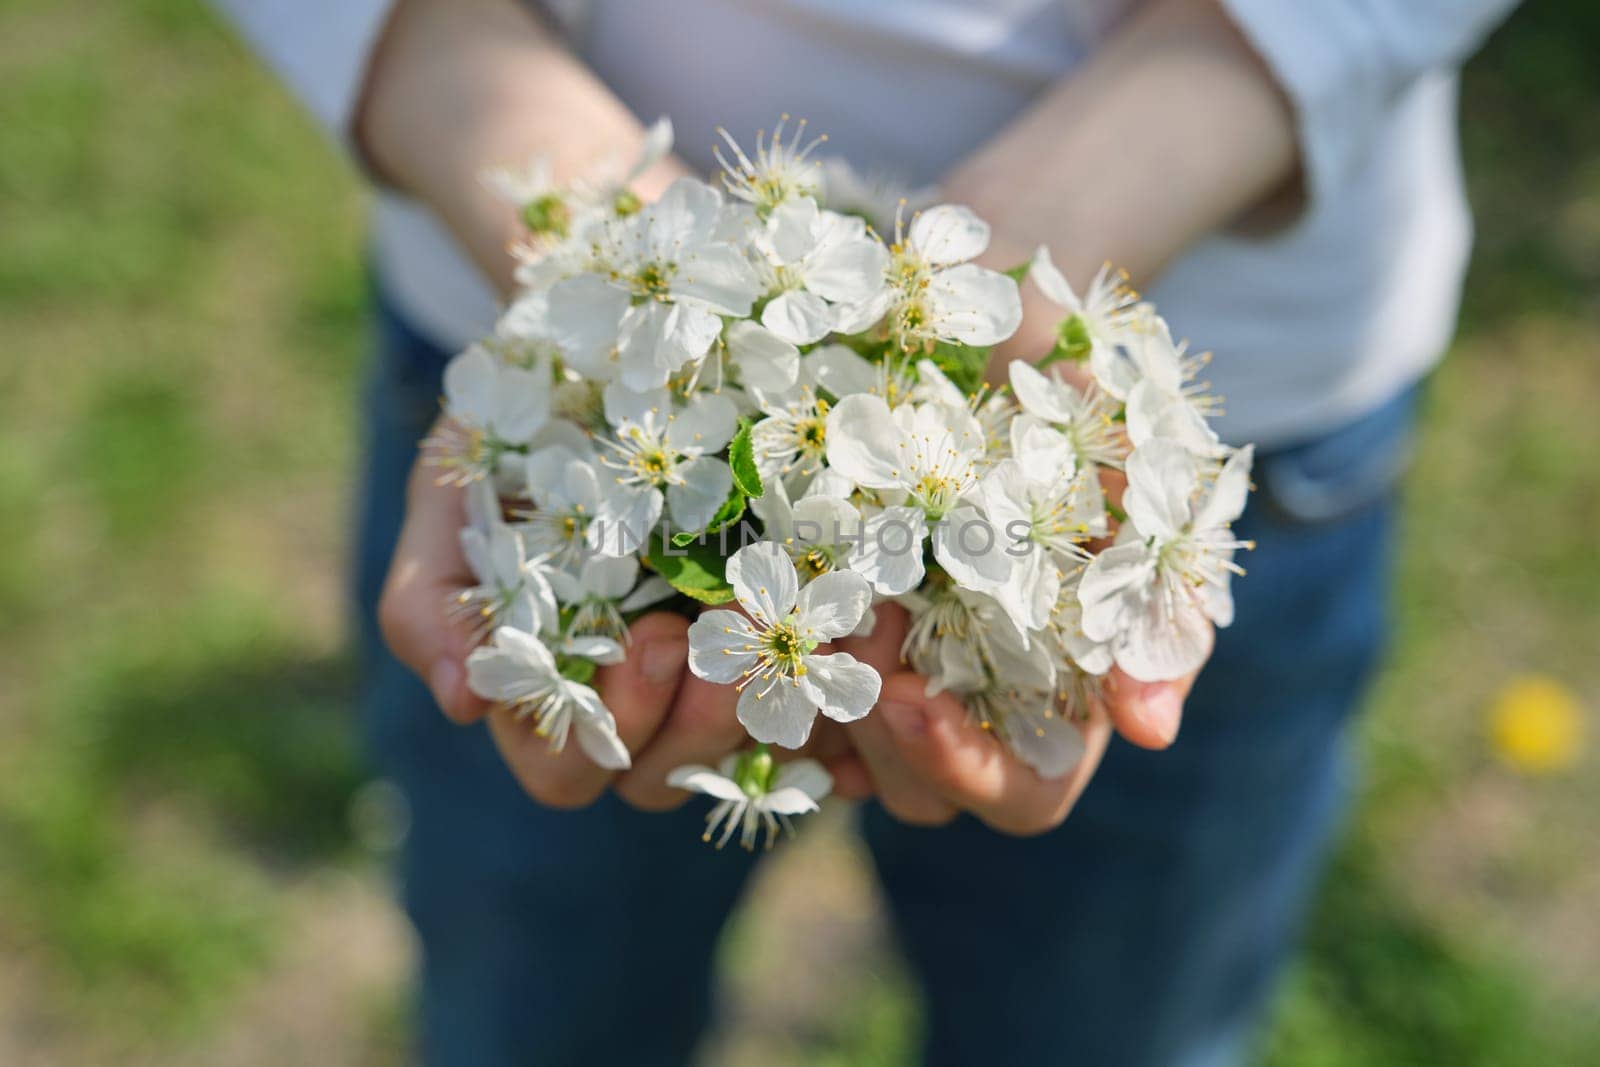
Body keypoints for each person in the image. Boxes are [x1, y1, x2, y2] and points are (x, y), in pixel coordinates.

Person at [215, 1, 1521, 1063]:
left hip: (1216, 405)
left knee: (1112, 1032)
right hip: (552, 379)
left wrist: (1220, 80)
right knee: (532, 1012)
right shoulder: (598, 367)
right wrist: (480, 101)